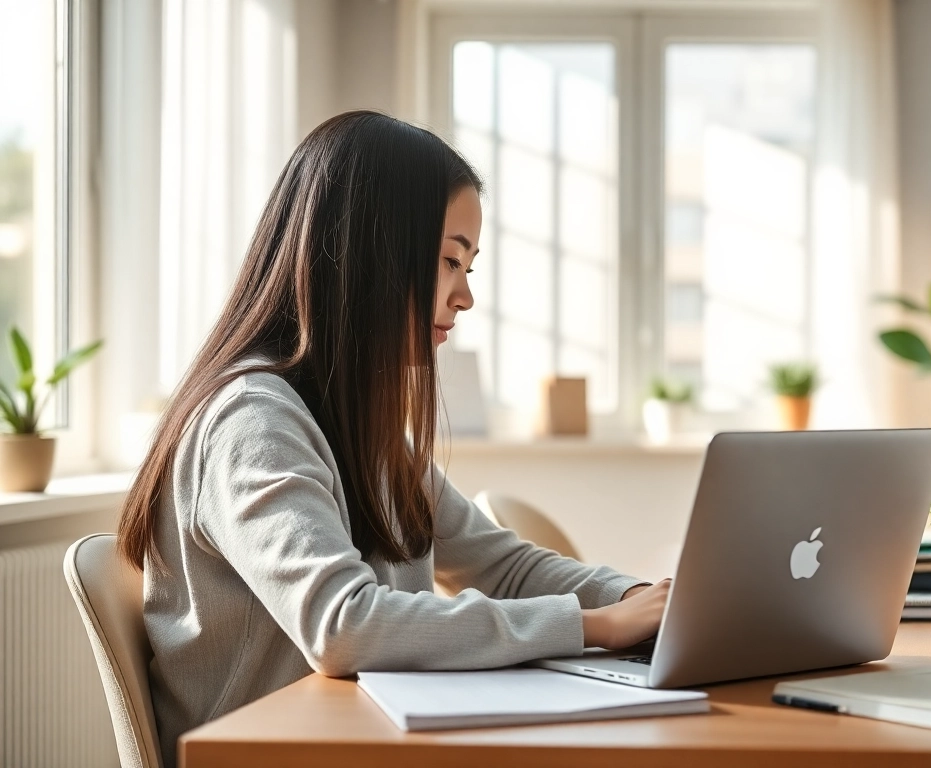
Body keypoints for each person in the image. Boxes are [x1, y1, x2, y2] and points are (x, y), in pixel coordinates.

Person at [116, 111, 669, 764]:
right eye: (449, 261)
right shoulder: (251, 418)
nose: (464, 296)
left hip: (363, 743)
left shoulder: (360, 426)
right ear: (373, 255)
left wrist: (639, 601)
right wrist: (593, 627)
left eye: (470, 267)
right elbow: (343, 627)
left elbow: (505, 565)